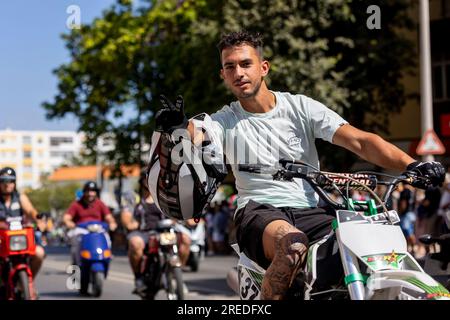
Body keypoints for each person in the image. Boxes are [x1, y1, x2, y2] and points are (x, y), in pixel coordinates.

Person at [153, 30, 446, 299]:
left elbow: (360, 141)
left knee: (361, 247)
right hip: (259, 211)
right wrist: (178, 127)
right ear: (223, 75)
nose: (238, 72)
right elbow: (198, 131)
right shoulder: (224, 119)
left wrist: (412, 165)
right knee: (293, 246)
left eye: (245, 64)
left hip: (313, 209)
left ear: (263, 67)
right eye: (230, 67)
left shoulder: (300, 107)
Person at [121, 171, 190, 294]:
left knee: (185, 239)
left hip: (164, 232)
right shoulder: (133, 196)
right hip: (143, 233)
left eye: (155, 177)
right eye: (147, 177)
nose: (151, 180)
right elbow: (126, 216)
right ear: (142, 180)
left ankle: (178, 274)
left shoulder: (166, 195)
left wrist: (187, 218)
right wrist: (130, 223)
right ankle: (139, 278)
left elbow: (179, 211)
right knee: (135, 243)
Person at [0, 167, 46, 295]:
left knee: (39, 253)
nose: (7, 184)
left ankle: (26, 284)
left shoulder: (20, 197)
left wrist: (39, 220)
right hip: (2, 241)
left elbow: (31, 211)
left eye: (10, 180)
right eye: (3, 180)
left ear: (14, 182)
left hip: (20, 241)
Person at [63, 181, 117, 266]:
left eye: (92, 191)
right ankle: (77, 263)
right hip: (81, 230)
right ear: (84, 192)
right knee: (76, 244)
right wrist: (69, 223)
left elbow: (109, 217)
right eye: (88, 191)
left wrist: (112, 223)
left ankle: (106, 258)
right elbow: (67, 217)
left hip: (98, 229)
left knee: (107, 240)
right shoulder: (77, 204)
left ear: (96, 192)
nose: (90, 193)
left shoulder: (100, 204)